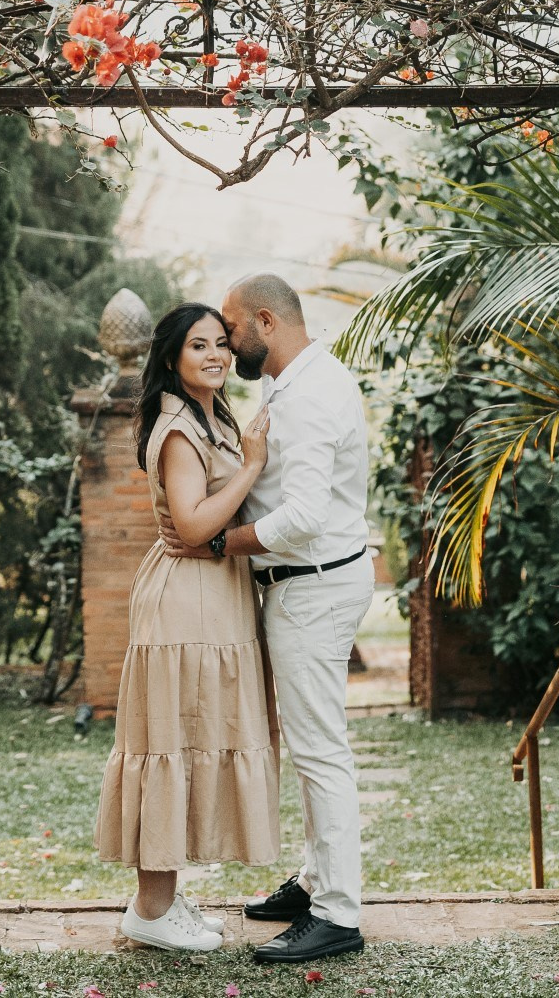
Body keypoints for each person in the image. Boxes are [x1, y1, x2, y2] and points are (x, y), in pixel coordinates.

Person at [161, 273, 373, 964]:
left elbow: (305, 515)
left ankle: (337, 914)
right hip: (306, 585)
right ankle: (314, 883)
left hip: (314, 586)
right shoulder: (290, 382)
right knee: (312, 746)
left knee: (320, 751)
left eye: (230, 330)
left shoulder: (308, 395)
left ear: (265, 321)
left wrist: (220, 542)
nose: (226, 344)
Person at [93, 302, 280, 953]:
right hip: (185, 603)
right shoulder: (177, 429)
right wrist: (252, 466)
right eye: (199, 344)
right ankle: (150, 908)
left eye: (222, 343)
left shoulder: (210, 415)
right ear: (171, 357)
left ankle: (163, 898)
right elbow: (195, 524)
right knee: (171, 741)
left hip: (214, 596)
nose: (216, 354)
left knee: (193, 738)